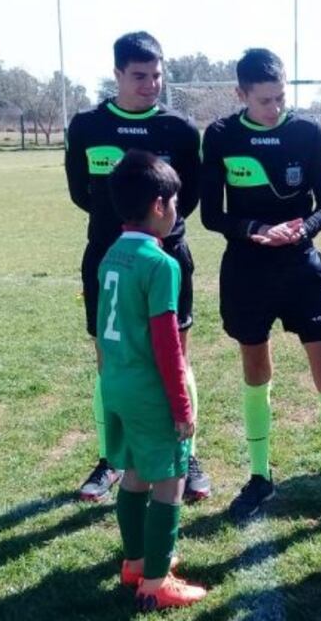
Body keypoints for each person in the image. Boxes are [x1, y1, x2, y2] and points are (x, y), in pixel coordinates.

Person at [200, 48, 321, 530]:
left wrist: (304, 228)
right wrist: (255, 227)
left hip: (302, 266)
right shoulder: (220, 136)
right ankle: (259, 477)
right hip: (247, 270)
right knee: (255, 367)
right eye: (263, 101)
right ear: (241, 95)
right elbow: (212, 213)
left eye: (280, 97)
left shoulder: (306, 132)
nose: (274, 108)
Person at [65, 31, 210, 503]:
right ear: (118, 75)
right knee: (110, 359)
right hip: (108, 260)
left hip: (167, 257)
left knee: (177, 354)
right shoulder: (87, 126)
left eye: (157, 76)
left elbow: (187, 198)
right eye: (140, 76)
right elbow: (79, 193)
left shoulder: (181, 130)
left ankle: (185, 452)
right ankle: (112, 456)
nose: (150, 85)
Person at [98, 149, 207, 610]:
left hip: (116, 385)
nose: (177, 212)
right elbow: (167, 343)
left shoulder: (111, 254)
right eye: (176, 203)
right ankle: (157, 583)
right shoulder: (162, 264)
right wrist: (182, 408)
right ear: (160, 205)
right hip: (149, 390)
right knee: (172, 477)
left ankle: (136, 563)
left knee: (136, 472)